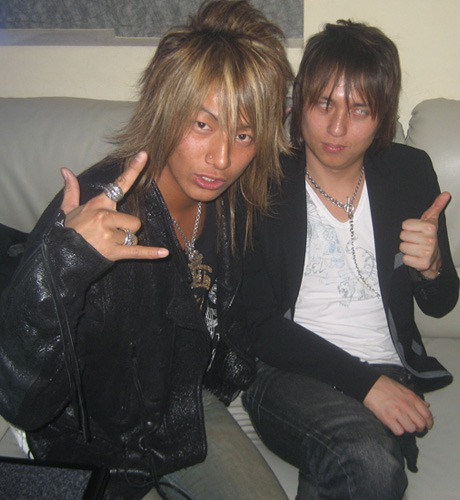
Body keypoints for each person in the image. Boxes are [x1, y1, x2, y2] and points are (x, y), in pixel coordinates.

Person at [0, 1, 293, 499]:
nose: (222, 159)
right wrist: (64, 267)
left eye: (244, 135)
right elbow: (21, 400)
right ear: (164, 111)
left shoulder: (235, 202)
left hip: (180, 406)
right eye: (202, 125)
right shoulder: (95, 212)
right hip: (89, 433)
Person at [241, 20, 459, 500]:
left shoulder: (409, 172)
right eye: (324, 103)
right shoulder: (263, 180)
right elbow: (256, 324)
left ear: (382, 117)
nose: (337, 128)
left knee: (355, 465)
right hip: (287, 372)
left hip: (388, 368)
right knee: (371, 463)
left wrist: (433, 268)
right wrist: (367, 386)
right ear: (298, 103)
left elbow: (441, 304)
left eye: (359, 110)